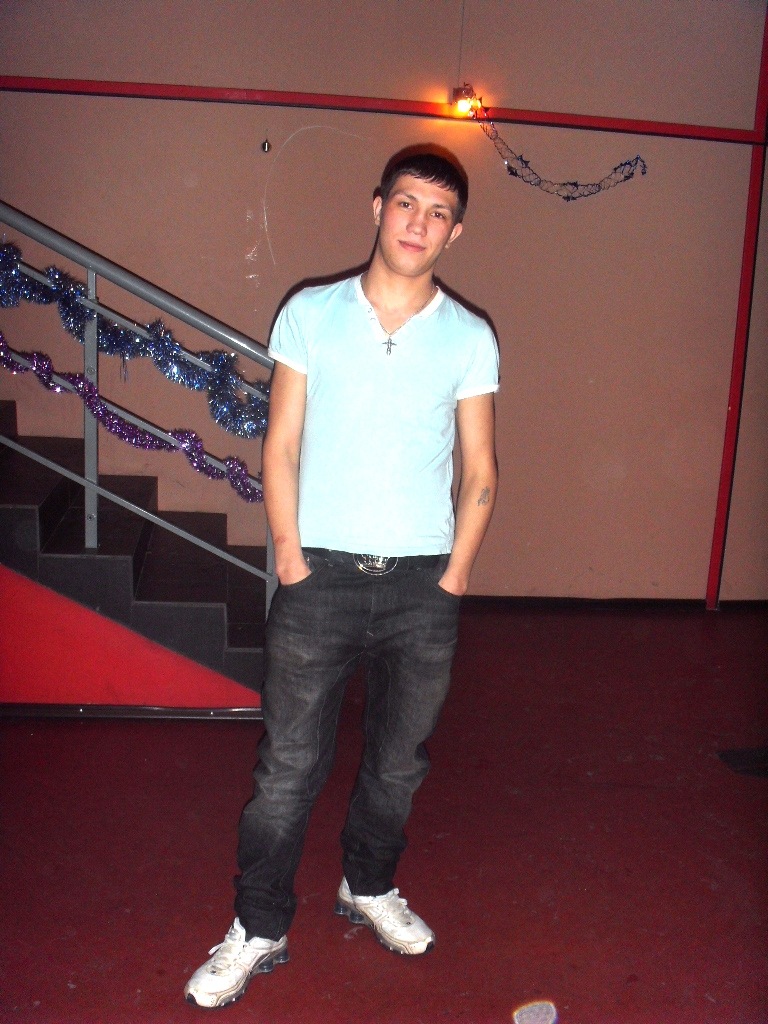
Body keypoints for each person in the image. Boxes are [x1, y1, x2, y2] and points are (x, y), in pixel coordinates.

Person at [185, 148, 499, 1009]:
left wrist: (455, 577)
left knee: (398, 764)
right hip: (317, 579)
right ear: (377, 207)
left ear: (455, 232)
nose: (419, 223)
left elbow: (480, 469)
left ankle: (368, 884)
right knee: (288, 768)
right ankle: (257, 925)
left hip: (422, 590)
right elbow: (280, 444)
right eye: (407, 203)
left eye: (438, 213)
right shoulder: (311, 314)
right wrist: (289, 556)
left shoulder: (469, 337)